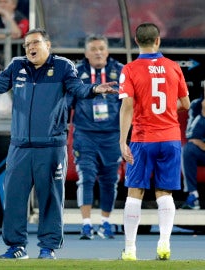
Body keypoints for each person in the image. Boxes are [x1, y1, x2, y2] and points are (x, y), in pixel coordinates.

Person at [0, 28, 117, 259]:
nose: (30, 48)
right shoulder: (17, 66)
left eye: (35, 43)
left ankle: (48, 247)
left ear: (47, 45)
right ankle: (16, 247)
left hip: (51, 146)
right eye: (26, 44)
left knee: (50, 199)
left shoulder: (63, 66)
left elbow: (78, 89)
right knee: (13, 198)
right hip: (20, 146)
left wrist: (94, 89)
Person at [118, 23, 190, 261]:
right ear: (158, 40)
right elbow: (186, 104)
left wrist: (122, 140)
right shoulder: (173, 67)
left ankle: (130, 249)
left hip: (143, 138)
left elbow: (127, 106)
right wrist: (167, 110)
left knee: (135, 192)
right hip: (170, 138)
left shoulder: (129, 69)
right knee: (164, 192)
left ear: (136, 41)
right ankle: (164, 244)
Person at [68, 35, 123, 240]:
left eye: (101, 48)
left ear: (107, 51)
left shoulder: (121, 71)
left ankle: (106, 223)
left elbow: (128, 105)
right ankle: (86, 224)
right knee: (87, 177)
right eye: (93, 49)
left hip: (111, 135)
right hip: (85, 134)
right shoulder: (76, 73)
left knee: (110, 181)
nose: (98, 52)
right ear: (86, 53)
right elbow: (67, 102)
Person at [0, 0, 29, 74]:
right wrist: (8, 35)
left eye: (5, 2)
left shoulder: (22, 19)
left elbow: (17, 34)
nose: (2, 5)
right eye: (0, 2)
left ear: (14, 5)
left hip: (17, 65)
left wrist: (6, 14)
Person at [181, 92, 205, 209]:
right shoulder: (196, 105)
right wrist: (203, 115)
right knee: (188, 150)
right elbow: (190, 134)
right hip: (201, 152)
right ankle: (193, 196)